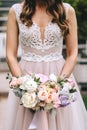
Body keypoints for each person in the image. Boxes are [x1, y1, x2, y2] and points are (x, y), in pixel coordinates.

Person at [4, 0, 87, 130]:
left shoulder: (66, 11)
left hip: (59, 76)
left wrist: (59, 85)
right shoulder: (16, 11)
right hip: (26, 77)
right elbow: (10, 55)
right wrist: (24, 87)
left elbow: (72, 54)